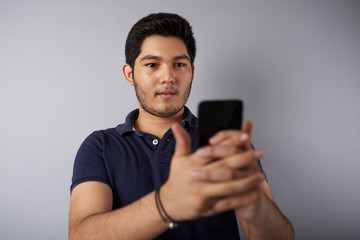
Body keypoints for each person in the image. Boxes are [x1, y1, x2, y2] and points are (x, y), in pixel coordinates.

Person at [69, 13, 294, 240]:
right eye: (152, 64)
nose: (168, 77)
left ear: (192, 72)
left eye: (179, 64)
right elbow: (80, 236)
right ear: (130, 74)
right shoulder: (100, 146)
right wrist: (166, 204)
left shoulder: (222, 141)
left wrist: (255, 203)